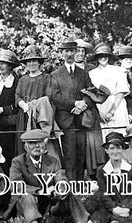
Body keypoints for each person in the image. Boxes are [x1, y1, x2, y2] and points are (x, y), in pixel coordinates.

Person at [6, 129, 90, 223]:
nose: (36, 146)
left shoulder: (53, 161)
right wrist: (40, 190)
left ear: (45, 144)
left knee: (70, 195)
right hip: (28, 205)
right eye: (32, 143)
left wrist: (60, 188)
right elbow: (17, 185)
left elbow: (61, 178)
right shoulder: (18, 162)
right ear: (25, 147)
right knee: (26, 195)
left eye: (39, 142)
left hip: (49, 205)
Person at [51, 37, 96, 181]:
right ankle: (70, 188)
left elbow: (92, 92)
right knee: (69, 155)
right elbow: (55, 97)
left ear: (76, 52)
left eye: (72, 51)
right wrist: (74, 104)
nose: (69, 54)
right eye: (66, 51)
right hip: (66, 120)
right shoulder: (55, 75)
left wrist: (84, 104)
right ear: (62, 54)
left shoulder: (83, 73)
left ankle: (79, 187)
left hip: (82, 119)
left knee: (81, 154)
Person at [15, 45, 60, 160]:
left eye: (34, 60)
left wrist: (34, 106)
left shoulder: (47, 78)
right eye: (29, 61)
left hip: (41, 117)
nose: (31, 64)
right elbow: (17, 96)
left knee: (42, 145)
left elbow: (49, 98)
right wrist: (24, 105)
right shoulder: (22, 80)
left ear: (39, 62)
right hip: (25, 117)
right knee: (25, 145)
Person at [88, 44, 130, 139]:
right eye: (100, 55)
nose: (103, 58)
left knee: (119, 136)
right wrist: (99, 113)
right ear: (96, 57)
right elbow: (91, 95)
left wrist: (111, 112)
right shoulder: (91, 74)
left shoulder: (118, 71)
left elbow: (121, 93)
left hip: (117, 107)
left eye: (105, 55)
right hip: (100, 107)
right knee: (103, 139)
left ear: (109, 57)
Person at [0, 49, 20, 170]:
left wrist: (3, 110)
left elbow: (18, 104)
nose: (0, 66)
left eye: (4, 63)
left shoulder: (17, 82)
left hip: (11, 126)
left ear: (11, 66)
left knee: (10, 155)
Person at [117, 45, 132, 121]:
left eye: (131, 59)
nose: (129, 61)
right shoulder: (115, 74)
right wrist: (127, 112)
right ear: (120, 60)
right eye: (126, 59)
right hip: (121, 110)